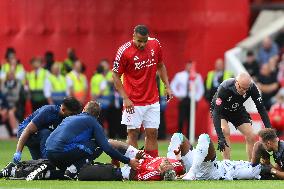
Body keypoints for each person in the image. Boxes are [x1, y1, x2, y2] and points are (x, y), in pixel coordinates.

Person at [112, 25, 173, 157]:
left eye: (144, 41)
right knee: (133, 133)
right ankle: (133, 167)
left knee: (152, 133)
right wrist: (125, 98)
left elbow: (161, 66)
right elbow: (115, 76)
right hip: (133, 101)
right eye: (139, 41)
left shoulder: (155, 44)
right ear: (133, 36)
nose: (142, 44)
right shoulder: (124, 51)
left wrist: (167, 86)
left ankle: (150, 166)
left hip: (152, 99)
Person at [45, 101, 139, 180]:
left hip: (49, 152)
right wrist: (128, 161)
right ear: (97, 116)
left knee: (71, 173)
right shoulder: (93, 123)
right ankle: (75, 167)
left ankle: (49, 174)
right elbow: (107, 148)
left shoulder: (69, 118)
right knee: (99, 144)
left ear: (84, 109)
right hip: (63, 152)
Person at [211, 72, 272, 161]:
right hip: (221, 111)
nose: (244, 92)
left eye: (246, 89)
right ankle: (227, 164)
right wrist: (220, 137)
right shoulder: (225, 88)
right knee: (225, 131)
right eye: (242, 88)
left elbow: (261, 109)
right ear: (236, 82)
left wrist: (268, 129)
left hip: (237, 109)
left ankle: (251, 165)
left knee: (251, 135)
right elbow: (216, 112)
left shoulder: (252, 88)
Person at [13, 97, 82, 164]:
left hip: (39, 136)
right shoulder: (49, 112)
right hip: (24, 132)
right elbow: (27, 130)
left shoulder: (65, 118)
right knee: (47, 133)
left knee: (39, 165)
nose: (73, 117)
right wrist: (18, 152)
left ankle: (16, 171)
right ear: (63, 109)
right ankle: (47, 160)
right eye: (71, 114)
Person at [182, 133, 261, 180]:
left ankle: (192, 172)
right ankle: (176, 171)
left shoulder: (255, 171)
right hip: (208, 167)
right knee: (178, 136)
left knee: (204, 137)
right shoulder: (251, 166)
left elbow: (258, 145)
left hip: (211, 171)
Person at [170, 61, 204, 137]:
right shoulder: (179, 75)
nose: (190, 68)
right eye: (188, 66)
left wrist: (196, 98)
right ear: (186, 66)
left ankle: (189, 136)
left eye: (191, 66)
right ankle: (179, 136)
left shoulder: (197, 76)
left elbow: (201, 89)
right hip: (183, 99)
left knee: (190, 119)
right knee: (181, 119)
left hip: (192, 100)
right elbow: (173, 86)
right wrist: (178, 95)